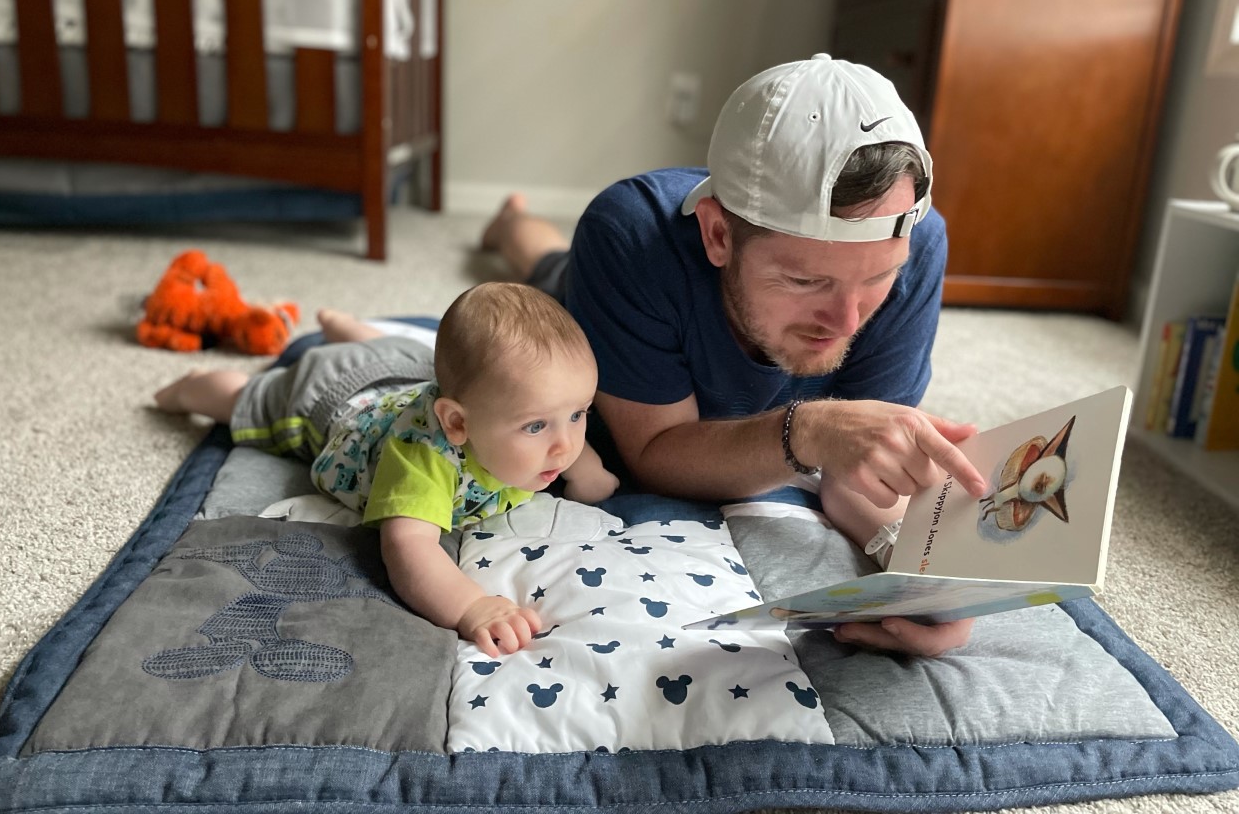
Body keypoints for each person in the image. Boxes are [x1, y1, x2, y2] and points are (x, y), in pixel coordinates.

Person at [481, 54, 987, 658]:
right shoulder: (630, 237)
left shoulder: (921, 243)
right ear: (718, 235)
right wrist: (808, 432)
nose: (849, 321)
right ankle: (510, 223)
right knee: (545, 268)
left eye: (879, 278)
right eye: (806, 282)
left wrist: (926, 581)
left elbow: (865, 468)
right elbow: (652, 454)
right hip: (589, 304)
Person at [154, 282, 620, 659]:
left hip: (404, 366)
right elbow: (408, 547)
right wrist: (472, 606)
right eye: (536, 425)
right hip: (330, 394)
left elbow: (568, 444)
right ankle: (192, 388)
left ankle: (349, 329)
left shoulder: (535, 424)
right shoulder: (422, 460)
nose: (566, 444)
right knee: (247, 400)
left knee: (410, 355)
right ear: (456, 423)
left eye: (579, 414)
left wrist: (590, 472)